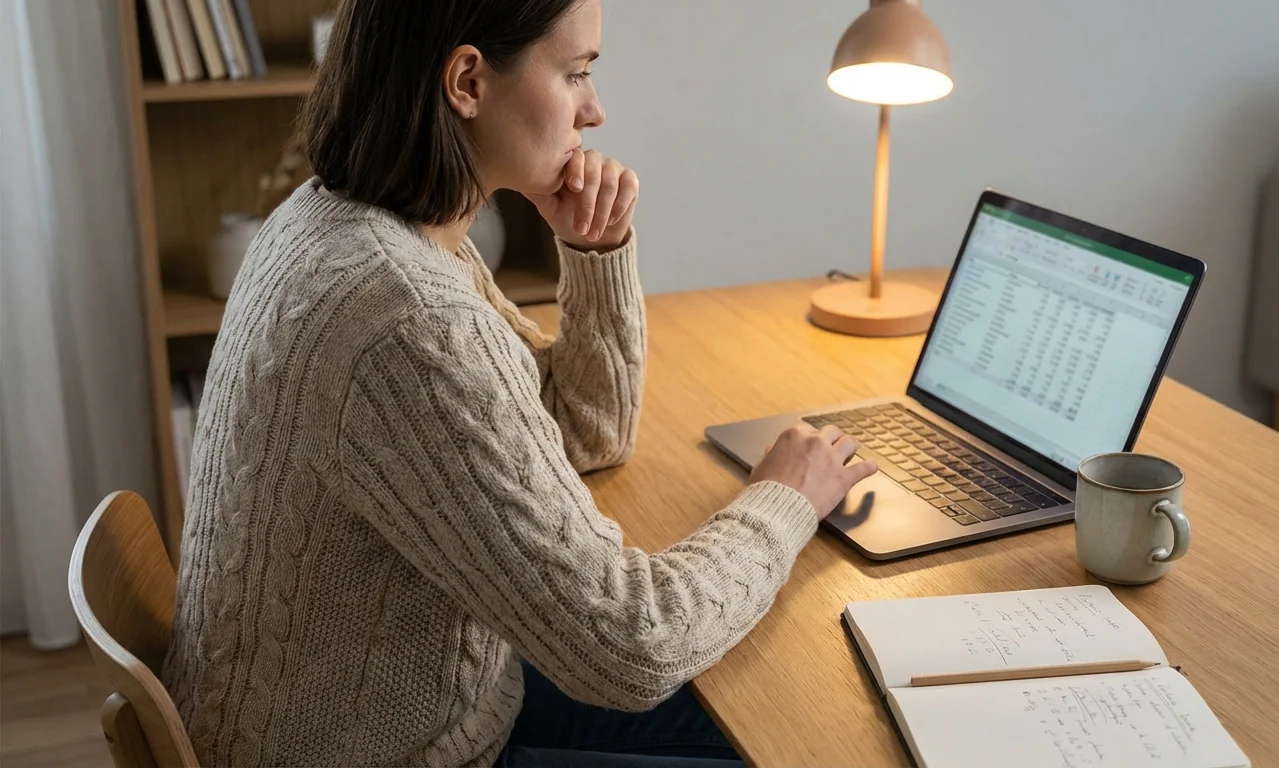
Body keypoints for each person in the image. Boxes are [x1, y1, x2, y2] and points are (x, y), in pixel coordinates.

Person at [158, 0, 878, 765]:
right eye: (576, 74)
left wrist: (594, 250)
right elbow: (631, 646)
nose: (595, 111)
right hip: (410, 751)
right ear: (467, 81)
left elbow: (579, 433)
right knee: (803, 730)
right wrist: (787, 499)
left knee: (770, 701)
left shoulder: (348, 222)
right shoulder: (406, 315)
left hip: (416, 717)